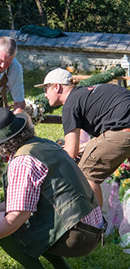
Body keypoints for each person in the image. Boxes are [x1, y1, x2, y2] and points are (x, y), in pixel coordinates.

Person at [0, 108, 105, 269]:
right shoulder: (42, 145)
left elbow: (18, 215)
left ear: (0, 146)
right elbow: (28, 198)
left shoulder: (23, 161)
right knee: (20, 219)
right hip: (90, 228)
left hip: (77, 236)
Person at [35, 67, 130, 208]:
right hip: (122, 126)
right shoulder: (87, 93)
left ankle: (96, 225)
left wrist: (48, 170)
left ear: (56, 87)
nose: (45, 94)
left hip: (123, 131)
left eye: (46, 89)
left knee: (86, 174)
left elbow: (70, 153)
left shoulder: (70, 105)